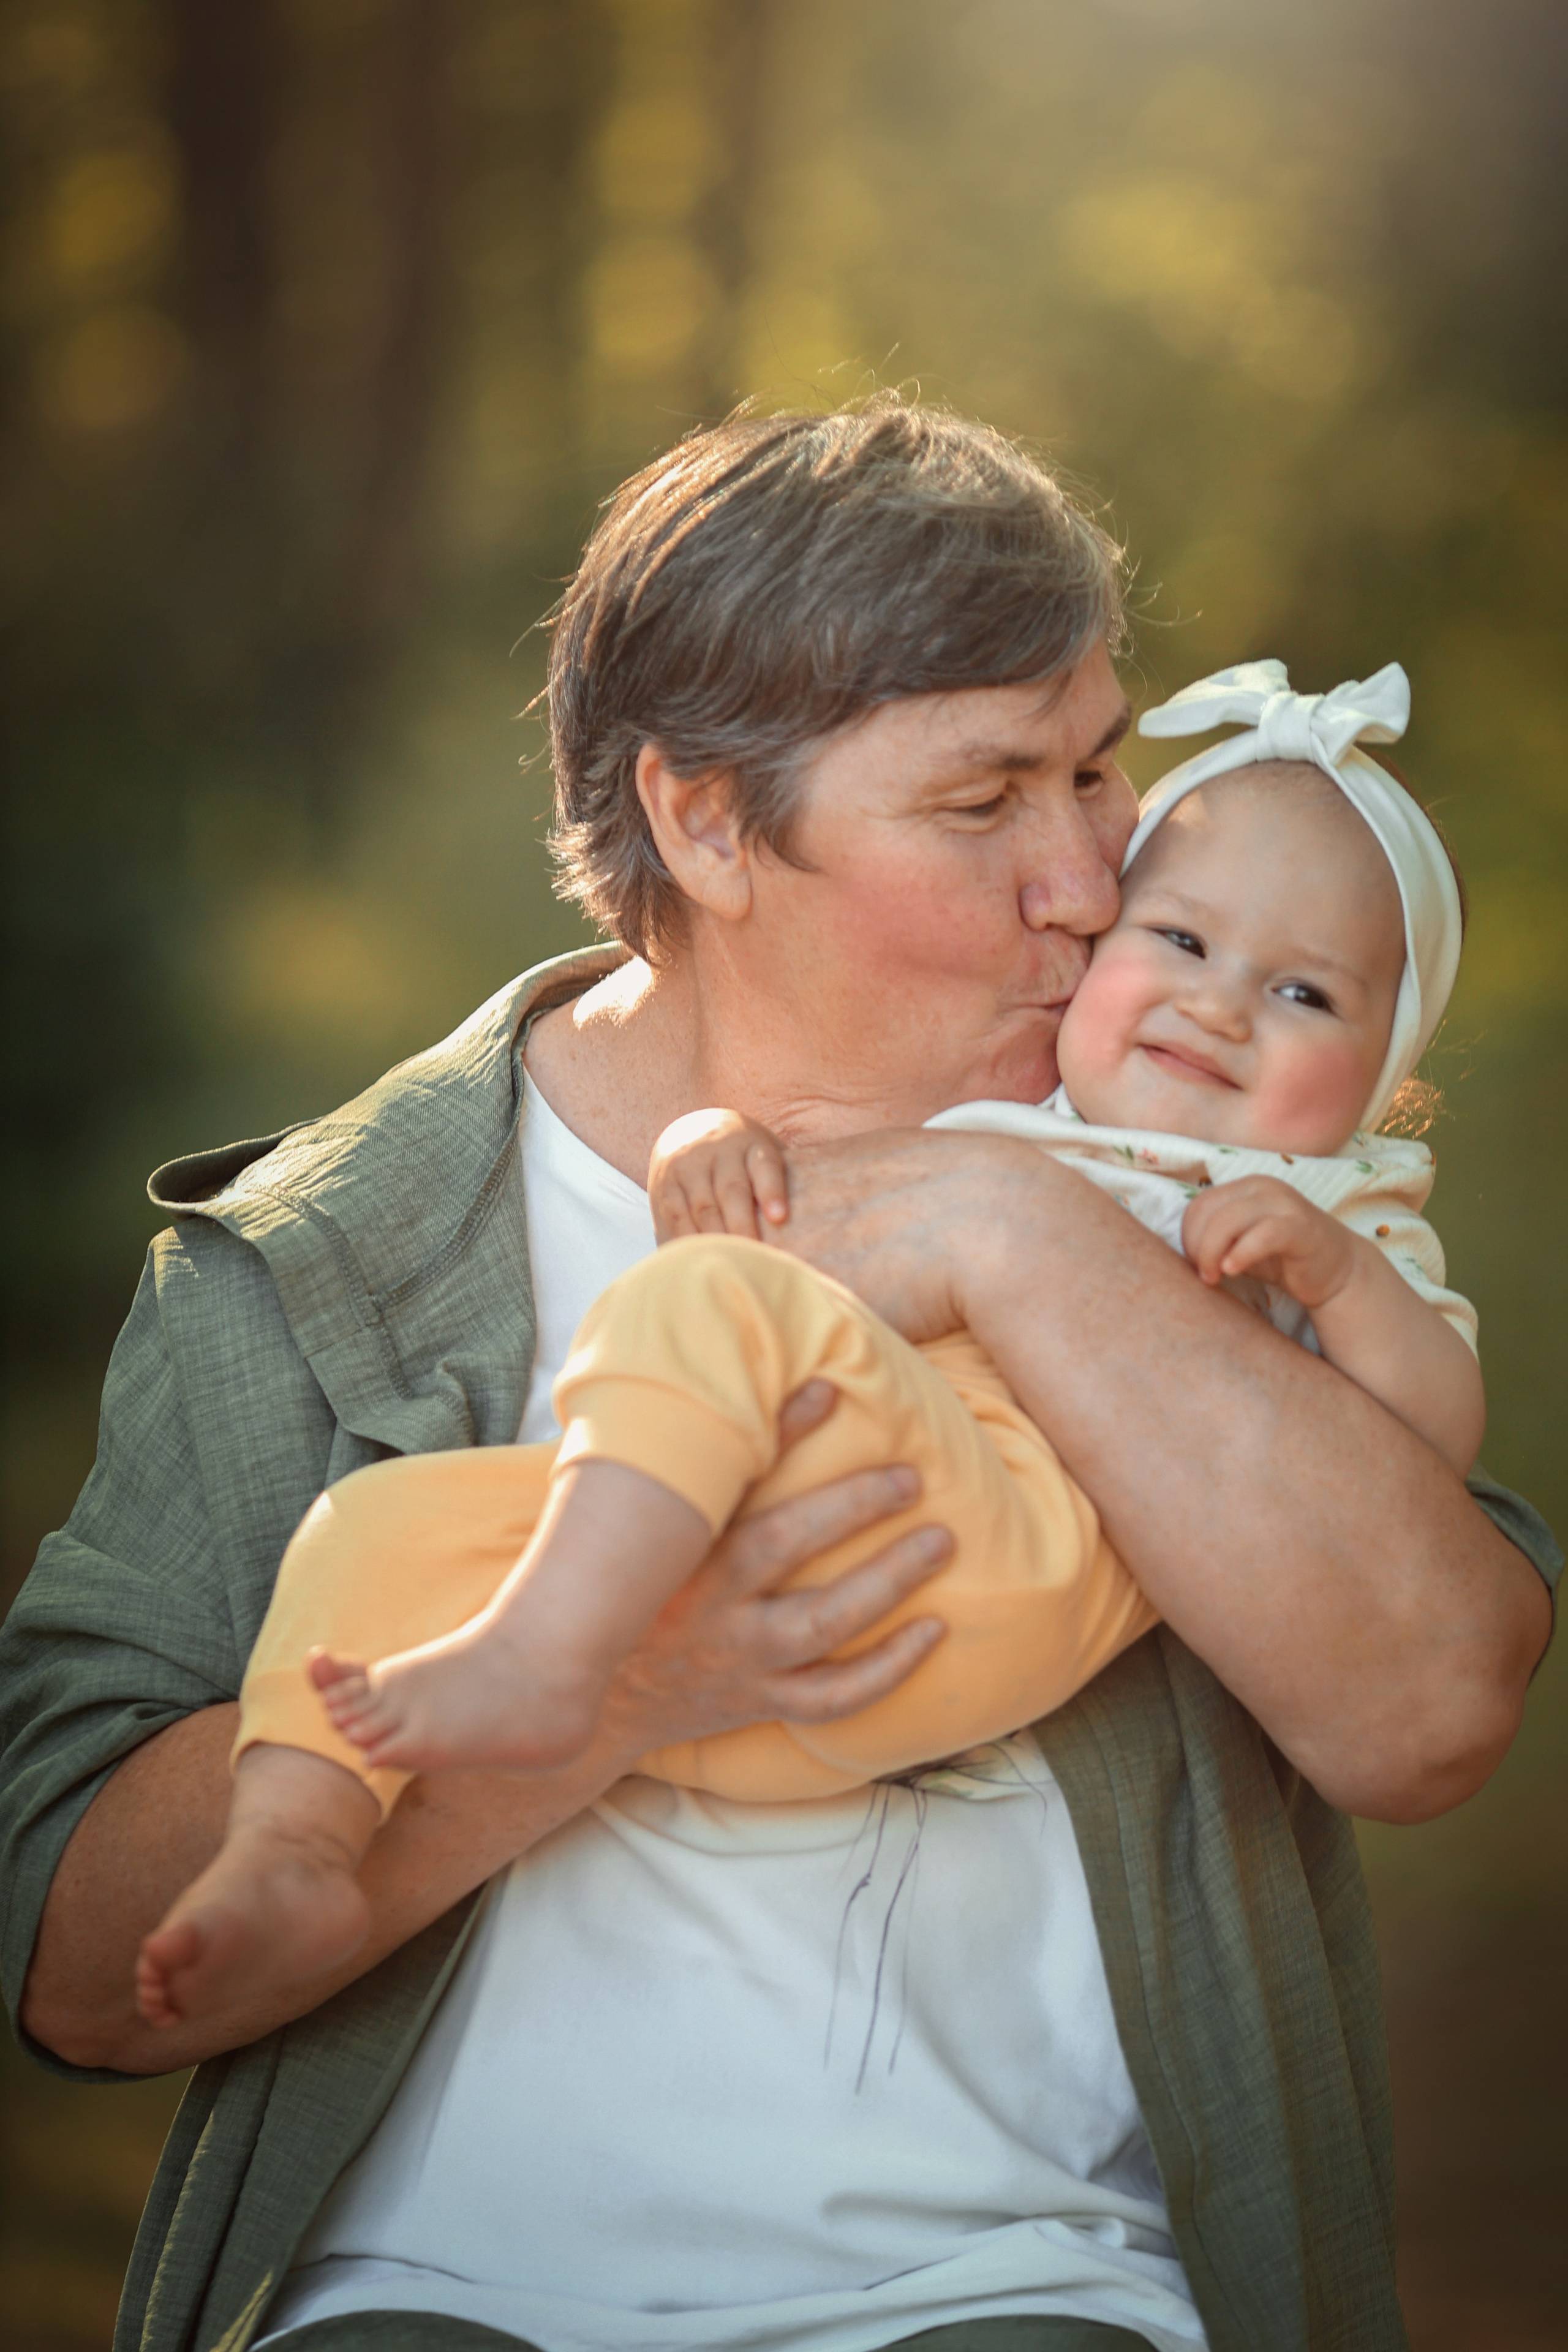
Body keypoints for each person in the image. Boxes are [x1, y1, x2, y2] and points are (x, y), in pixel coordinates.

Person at [0, 402, 1558, 2352]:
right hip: (423, 2297)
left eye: (1097, 771)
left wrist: (1013, 1231)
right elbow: (73, 1969)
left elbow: (1430, 1710)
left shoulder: (1197, 1178)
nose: (1088, 878)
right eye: (984, 804)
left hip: (1038, 2291)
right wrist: (634, 1685)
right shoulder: (325, 1263)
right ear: (705, 822)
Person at [129, 658, 1490, 2045]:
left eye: (1306, 997)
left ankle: (548, 1650)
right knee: (380, 1529)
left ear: (1386, 1080)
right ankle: (290, 1852)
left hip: (988, 1559)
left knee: (707, 1297)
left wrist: (1335, 1280)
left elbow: (1430, 1440)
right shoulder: (1014, 1108)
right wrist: (709, 1145)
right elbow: (809, 1219)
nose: (1217, 1008)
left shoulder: (1335, 1213)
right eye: (1181, 942)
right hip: (794, 1621)